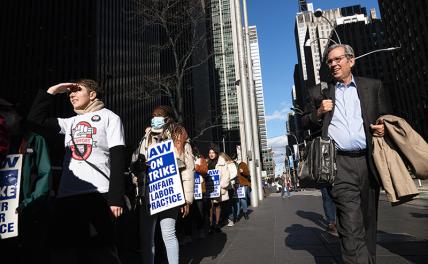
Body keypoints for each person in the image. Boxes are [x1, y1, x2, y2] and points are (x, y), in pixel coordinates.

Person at [302, 44, 391, 264]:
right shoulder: (319, 92)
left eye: (337, 59)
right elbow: (303, 121)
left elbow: (387, 118)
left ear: (351, 61)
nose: (333, 64)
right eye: (329, 61)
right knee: (350, 224)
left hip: (369, 162)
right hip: (338, 165)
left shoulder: (373, 87)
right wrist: (319, 112)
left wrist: (384, 128)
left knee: (368, 222)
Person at [27, 80, 125, 264]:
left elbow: (118, 157)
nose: (71, 95)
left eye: (77, 90)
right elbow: (35, 121)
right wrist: (51, 90)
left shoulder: (110, 117)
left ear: (93, 94)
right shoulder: (69, 122)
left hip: (99, 194)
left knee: (103, 252)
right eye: (69, 93)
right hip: (67, 196)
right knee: (63, 251)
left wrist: (115, 198)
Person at [130, 105, 194, 264]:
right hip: (148, 193)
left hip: (169, 192)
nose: (154, 118)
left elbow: (188, 170)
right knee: (146, 238)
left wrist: (187, 198)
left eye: (158, 115)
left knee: (169, 235)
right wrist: (136, 177)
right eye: (153, 115)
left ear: (167, 118)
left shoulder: (179, 138)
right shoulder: (146, 138)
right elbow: (135, 162)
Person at [0, 100, 51, 263]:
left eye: (7, 111)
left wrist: (29, 203)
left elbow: (45, 174)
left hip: (25, 211)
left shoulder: (34, 140)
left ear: (18, 115)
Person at [206, 145, 231, 233]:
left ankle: (216, 224)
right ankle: (210, 224)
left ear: (216, 153)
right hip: (209, 189)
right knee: (210, 207)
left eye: (213, 152)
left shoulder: (222, 163)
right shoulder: (206, 163)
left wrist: (220, 186)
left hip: (218, 188)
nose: (211, 154)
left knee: (217, 205)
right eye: (210, 153)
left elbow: (226, 175)